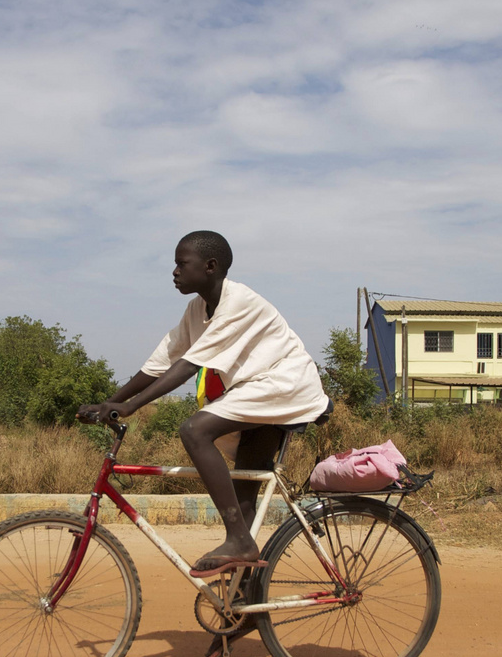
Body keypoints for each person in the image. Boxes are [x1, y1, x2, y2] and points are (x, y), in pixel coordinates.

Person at [77, 231, 330, 577]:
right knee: (242, 503)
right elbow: (162, 359)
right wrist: (112, 401)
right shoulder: (197, 309)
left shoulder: (239, 302)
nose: (175, 271)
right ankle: (244, 603)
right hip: (255, 396)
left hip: (284, 386)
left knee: (194, 430)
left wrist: (131, 406)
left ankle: (239, 540)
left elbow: (187, 366)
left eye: (182, 264)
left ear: (210, 267)